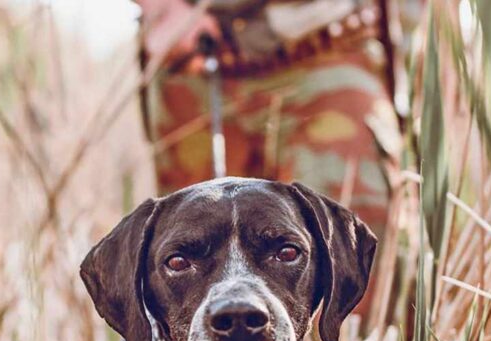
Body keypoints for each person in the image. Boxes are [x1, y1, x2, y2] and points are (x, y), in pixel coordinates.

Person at [135, 0, 419, 238]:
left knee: (350, 243)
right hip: (195, 66)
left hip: (327, 52)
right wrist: (162, 7)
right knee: (198, 257)